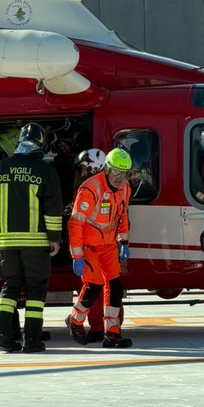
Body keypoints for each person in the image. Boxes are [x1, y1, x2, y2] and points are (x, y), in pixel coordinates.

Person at [0, 122, 63, 353]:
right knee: (36, 292)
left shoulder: (0, 167)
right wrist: (54, 238)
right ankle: (32, 340)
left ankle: (2, 338)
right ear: (41, 144)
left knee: (9, 287)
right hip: (36, 244)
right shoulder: (46, 171)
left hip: (6, 243)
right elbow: (53, 208)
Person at [66, 147, 133, 349]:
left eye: (124, 173)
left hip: (108, 246)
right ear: (106, 169)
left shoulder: (125, 188)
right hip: (88, 247)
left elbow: (122, 215)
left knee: (115, 288)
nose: (120, 177)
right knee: (93, 286)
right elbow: (76, 223)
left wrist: (124, 241)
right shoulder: (90, 188)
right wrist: (77, 255)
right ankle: (75, 320)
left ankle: (112, 334)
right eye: (116, 172)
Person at [71, 148, 108, 343]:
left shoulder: (90, 188)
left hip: (95, 247)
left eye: (84, 168)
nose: (82, 172)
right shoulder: (112, 185)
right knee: (100, 288)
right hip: (99, 247)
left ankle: (100, 328)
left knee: (96, 288)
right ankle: (101, 328)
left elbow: (78, 222)